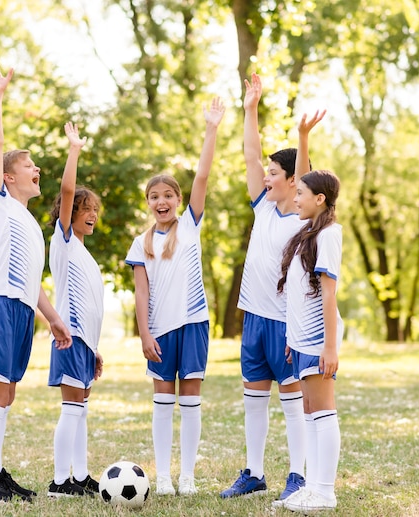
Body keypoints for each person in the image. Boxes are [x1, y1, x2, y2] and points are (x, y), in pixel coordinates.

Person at [220, 72, 325, 503]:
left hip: (285, 324)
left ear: (291, 182)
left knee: (292, 400)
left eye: (274, 172)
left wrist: (301, 139)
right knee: (253, 398)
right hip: (254, 319)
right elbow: (249, 156)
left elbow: (305, 173)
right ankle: (254, 473)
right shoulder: (263, 207)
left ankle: (297, 475)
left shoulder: (300, 218)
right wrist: (250, 109)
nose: (266, 176)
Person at [0, 54, 72, 503]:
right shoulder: (1, 204)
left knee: (8, 392)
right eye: (30, 167)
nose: (38, 171)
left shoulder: (32, 225)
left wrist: (52, 318)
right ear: (9, 177)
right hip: (0, 307)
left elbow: (32, 283)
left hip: (22, 310)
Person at [125, 97, 225, 496]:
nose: (161, 201)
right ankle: (163, 476)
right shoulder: (140, 243)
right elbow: (140, 291)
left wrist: (212, 128)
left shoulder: (191, 227)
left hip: (194, 325)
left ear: (178, 200)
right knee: (163, 404)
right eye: (154, 197)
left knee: (191, 401)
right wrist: (144, 334)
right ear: (148, 203)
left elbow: (202, 176)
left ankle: (187, 476)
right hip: (160, 332)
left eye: (168, 195)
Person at [278, 169, 343, 512]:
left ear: (320, 199)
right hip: (301, 340)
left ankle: (324, 492)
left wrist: (329, 347)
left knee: (323, 413)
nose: (296, 198)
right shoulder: (308, 234)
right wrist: (291, 336)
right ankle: (313, 487)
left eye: (301, 193)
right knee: (309, 413)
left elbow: (328, 296)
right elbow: (299, 294)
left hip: (319, 340)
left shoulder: (329, 234)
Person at [46, 122, 105, 498]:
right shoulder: (64, 240)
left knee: (80, 409)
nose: (92, 214)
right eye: (85, 208)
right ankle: (59, 481)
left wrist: (95, 347)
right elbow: (68, 189)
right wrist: (74, 150)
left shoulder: (83, 252)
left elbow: (89, 304)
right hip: (69, 340)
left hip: (84, 343)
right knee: (71, 409)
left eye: (95, 209)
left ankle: (79, 476)